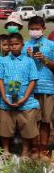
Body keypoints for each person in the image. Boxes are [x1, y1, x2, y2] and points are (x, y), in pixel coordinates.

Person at [0, 33, 39, 158]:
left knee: (27, 128)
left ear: (22, 45)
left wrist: (25, 98)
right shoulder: (3, 61)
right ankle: (6, 150)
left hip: (26, 101)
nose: (14, 47)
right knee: (6, 127)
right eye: (11, 44)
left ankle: (25, 152)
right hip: (7, 101)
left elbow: (33, 80)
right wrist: (4, 97)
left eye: (17, 44)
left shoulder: (29, 61)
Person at [23, 16, 54, 160]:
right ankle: (34, 148)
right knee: (32, 121)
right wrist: (28, 58)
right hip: (30, 89)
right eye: (32, 29)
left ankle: (43, 149)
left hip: (47, 88)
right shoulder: (25, 46)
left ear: (43, 29)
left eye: (37, 28)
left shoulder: (51, 45)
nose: (34, 31)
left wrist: (44, 59)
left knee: (46, 121)